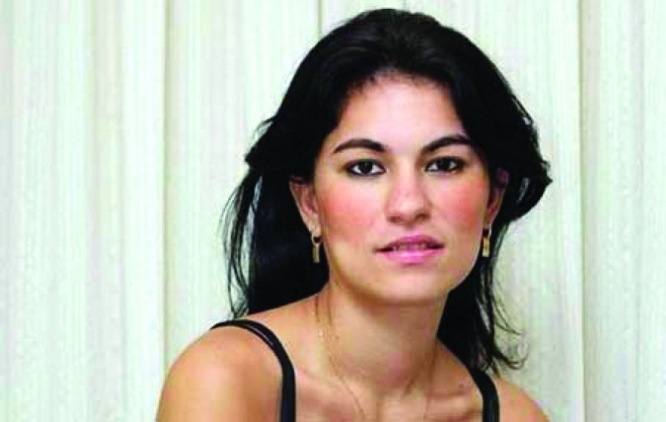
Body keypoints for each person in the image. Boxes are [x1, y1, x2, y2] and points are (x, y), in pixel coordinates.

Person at [158, 8, 551, 421]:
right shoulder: (227, 379)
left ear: (492, 200)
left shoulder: (515, 416)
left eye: (444, 164)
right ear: (309, 202)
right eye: (365, 167)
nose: (408, 205)